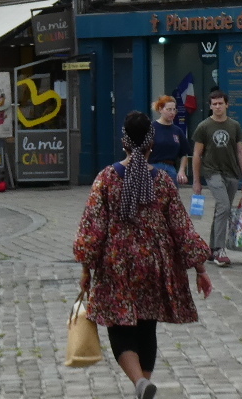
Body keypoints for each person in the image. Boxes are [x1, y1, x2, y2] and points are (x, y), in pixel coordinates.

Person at [72, 110, 212, 399]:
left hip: (116, 263)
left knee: (118, 326)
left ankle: (138, 382)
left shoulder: (107, 178)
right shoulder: (162, 181)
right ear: (152, 144)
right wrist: (201, 269)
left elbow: (92, 228)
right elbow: (181, 227)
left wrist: (86, 269)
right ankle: (143, 386)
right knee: (147, 327)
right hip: (154, 263)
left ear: (123, 142)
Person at [190, 90, 242, 267]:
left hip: (232, 173)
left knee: (222, 210)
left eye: (220, 103)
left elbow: (240, 151)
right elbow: (197, 154)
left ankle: (212, 248)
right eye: (214, 104)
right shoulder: (204, 127)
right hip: (212, 172)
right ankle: (220, 250)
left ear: (227, 104)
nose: (217, 107)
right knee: (224, 206)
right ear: (210, 106)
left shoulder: (234, 125)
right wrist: (197, 181)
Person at [149, 96, 191, 185]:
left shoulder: (177, 131)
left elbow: (184, 153)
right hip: (154, 167)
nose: (172, 113)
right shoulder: (151, 128)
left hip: (171, 168)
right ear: (160, 109)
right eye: (169, 109)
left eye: (174, 109)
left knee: (172, 192)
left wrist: (181, 170)